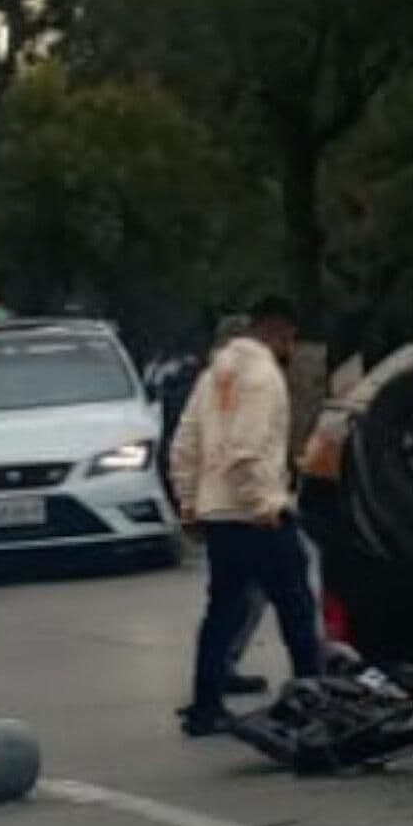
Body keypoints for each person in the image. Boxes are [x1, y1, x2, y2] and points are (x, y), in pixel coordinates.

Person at [170, 296, 323, 736]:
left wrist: (189, 504)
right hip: (256, 514)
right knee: (296, 607)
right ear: (282, 332)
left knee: (222, 609)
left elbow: (184, 445)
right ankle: (315, 698)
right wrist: (264, 505)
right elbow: (246, 448)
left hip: (218, 512)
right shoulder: (262, 375)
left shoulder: (214, 373)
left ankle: (206, 705)